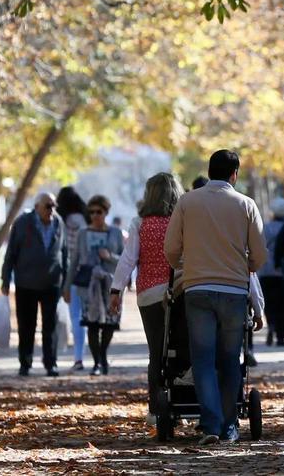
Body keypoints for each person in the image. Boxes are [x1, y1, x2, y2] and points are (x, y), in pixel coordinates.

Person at [164, 149, 267, 444]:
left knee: (203, 359)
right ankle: (229, 425)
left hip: (197, 288)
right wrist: (246, 266)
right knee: (230, 359)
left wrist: (184, 264)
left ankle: (210, 424)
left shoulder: (187, 202)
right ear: (234, 174)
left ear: (209, 172)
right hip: (234, 290)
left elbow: (171, 248)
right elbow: (259, 254)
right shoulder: (246, 205)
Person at [110, 173, 185, 419]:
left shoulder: (140, 224)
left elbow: (128, 259)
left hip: (149, 295)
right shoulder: (181, 221)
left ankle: (155, 409)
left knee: (156, 351)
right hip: (179, 291)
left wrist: (116, 290)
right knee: (180, 345)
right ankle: (182, 399)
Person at [0, 191, 67, 377]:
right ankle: (25, 363)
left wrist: (66, 282)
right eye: (48, 206)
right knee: (26, 326)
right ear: (37, 206)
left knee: (50, 327)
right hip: (26, 283)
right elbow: (11, 253)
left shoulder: (58, 223)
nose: (51, 210)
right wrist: (5, 279)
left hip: (52, 283)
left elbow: (65, 253)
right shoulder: (22, 223)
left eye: (54, 206)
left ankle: (50, 363)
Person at [69, 194, 124, 375]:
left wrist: (110, 256)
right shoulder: (83, 233)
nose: (94, 216)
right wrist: (67, 286)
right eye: (91, 212)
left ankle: (103, 355)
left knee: (109, 323)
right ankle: (97, 363)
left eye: (98, 212)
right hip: (88, 285)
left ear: (106, 212)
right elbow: (75, 260)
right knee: (91, 323)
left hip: (110, 284)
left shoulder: (115, 233)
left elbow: (125, 259)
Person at [58, 185, 89, 371]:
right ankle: (82, 356)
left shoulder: (62, 221)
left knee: (75, 316)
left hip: (69, 272)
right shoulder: (85, 220)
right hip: (85, 272)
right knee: (83, 316)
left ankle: (76, 357)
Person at [260, 197, 284, 346]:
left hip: (266, 271)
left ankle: (271, 324)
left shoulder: (265, 228)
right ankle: (281, 336)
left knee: (269, 302)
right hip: (283, 272)